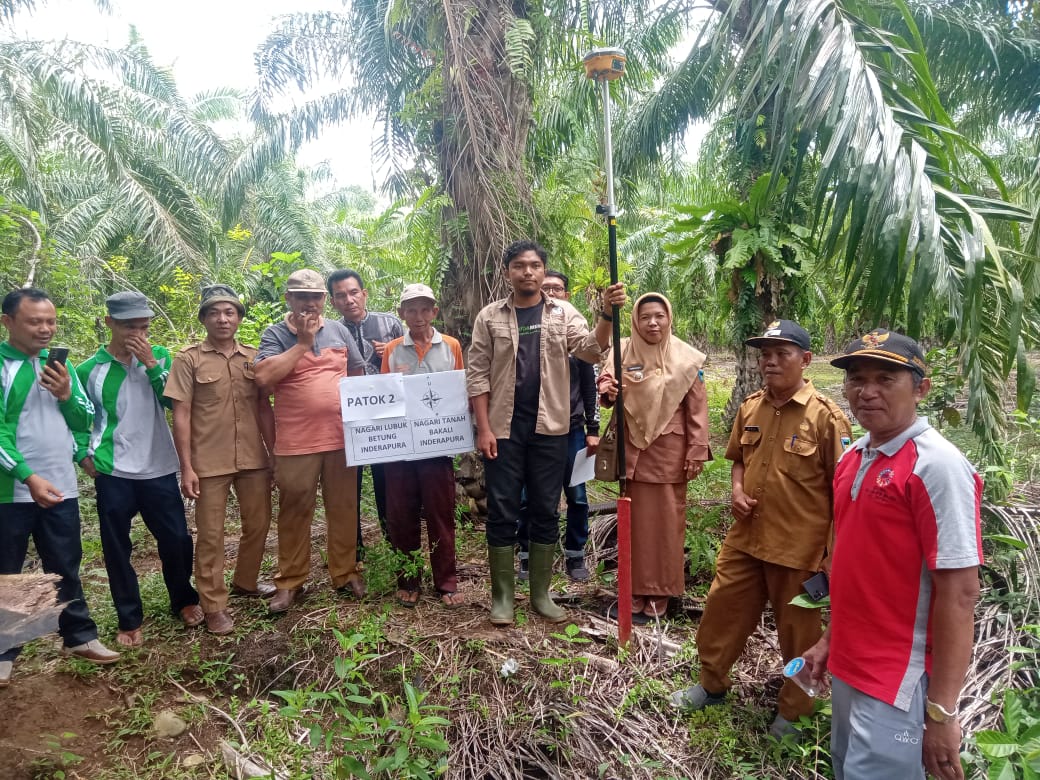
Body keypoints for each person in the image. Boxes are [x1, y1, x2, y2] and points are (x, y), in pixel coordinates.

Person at [801, 330, 982, 780]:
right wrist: (829, 639)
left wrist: (941, 712)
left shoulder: (936, 465)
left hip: (898, 679)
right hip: (849, 664)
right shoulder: (855, 456)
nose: (867, 392)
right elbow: (855, 564)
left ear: (921, 388)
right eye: (857, 380)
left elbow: (960, 594)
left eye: (886, 379)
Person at [672, 319, 852, 740]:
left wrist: (832, 555)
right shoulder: (751, 406)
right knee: (721, 613)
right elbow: (738, 459)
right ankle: (712, 685)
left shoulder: (826, 418)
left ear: (805, 360)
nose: (770, 362)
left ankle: (794, 713)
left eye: (781, 354)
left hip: (800, 550)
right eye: (765, 354)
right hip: (746, 540)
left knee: (799, 637)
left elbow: (844, 493)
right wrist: (736, 490)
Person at [467, 239, 625, 625]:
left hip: (551, 427)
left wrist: (607, 314)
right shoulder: (489, 317)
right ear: (508, 272)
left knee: (544, 508)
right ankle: (503, 598)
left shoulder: (564, 313)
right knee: (503, 510)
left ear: (542, 270)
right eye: (519, 265)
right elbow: (477, 375)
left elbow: (590, 351)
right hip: (504, 430)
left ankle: (540, 594)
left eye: (535, 265)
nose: (528, 272)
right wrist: (484, 428)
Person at [0, 288, 120, 686]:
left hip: (62, 487)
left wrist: (66, 393)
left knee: (65, 564)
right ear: (8, 322)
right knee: (8, 572)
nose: (45, 329)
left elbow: (84, 418)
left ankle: (79, 637)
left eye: (50, 321)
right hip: (11, 491)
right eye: (35, 321)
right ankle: (4, 651)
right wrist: (26, 476)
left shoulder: (58, 369)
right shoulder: (2, 366)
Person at [77, 291, 202, 647]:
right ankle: (129, 618)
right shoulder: (90, 370)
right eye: (130, 327)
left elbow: (174, 403)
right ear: (109, 324)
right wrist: (82, 455)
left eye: (144, 327)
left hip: (159, 466)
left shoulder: (162, 357)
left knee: (177, 538)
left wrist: (151, 364)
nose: (139, 334)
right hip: (112, 470)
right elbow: (79, 417)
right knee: (116, 546)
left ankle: (184, 598)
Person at [164, 285, 277, 635]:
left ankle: (246, 580)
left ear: (240, 318)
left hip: (253, 457)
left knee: (258, 523)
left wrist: (274, 455)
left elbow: (263, 407)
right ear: (203, 319)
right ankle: (213, 604)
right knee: (211, 534)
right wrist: (186, 466)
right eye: (214, 313)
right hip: (208, 462)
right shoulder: (188, 359)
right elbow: (180, 415)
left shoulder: (254, 357)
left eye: (229, 312)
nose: (223, 319)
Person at [254, 269, 367, 614]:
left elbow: (358, 375)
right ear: (288, 298)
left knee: (344, 508)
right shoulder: (275, 334)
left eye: (315, 296)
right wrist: (302, 344)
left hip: (341, 440)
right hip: (296, 443)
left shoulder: (339, 330)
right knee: (294, 512)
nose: (309, 303)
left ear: (324, 299)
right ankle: (289, 582)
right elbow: (262, 378)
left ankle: (345, 572)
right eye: (301, 296)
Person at [597, 293, 710, 622]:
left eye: (659, 316)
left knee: (664, 524)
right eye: (645, 317)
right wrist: (608, 389)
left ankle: (659, 592)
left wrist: (697, 450)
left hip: (668, 454)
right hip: (632, 452)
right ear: (635, 320)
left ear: (668, 317)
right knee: (633, 524)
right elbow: (606, 379)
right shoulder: (623, 348)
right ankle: (633, 590)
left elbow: (697, 409)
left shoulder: (686, 358)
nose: (653, 323)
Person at [380, 283, 466, 608]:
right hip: (401, 448)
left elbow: (458, 394)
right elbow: (383, 397)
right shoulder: (391, 350)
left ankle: (447, 582)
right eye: (411, 310)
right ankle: (409, 580)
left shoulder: (451, 346)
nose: (418, 316)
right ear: (401, 314)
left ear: (434, 312)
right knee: (402, 515)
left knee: (440, 514)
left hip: (437, 447)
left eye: (424, 309)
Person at [517, 270, 599, 582]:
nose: (552, 292)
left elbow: (589, 385)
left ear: (565, 295)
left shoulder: (577, 335)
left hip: (572, 428)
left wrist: (593, 429)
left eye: (558, 288)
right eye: (547, 287)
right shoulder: (526, 331)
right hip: (532, 428)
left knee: (577, 494)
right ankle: (527, 555)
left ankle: (575, 555)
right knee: (528, 495)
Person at [328, 269, 404, 552]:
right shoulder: (330, 331)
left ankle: (394, 543)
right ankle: (354, 549)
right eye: (340, 296)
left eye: (353, 292)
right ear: (333, 302)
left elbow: (411, 363)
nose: (349, 300)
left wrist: (395, 352)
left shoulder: (390, 323)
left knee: (389, 482)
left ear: (364, 294)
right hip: (346, 420)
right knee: (350, 485)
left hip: (387, 418)